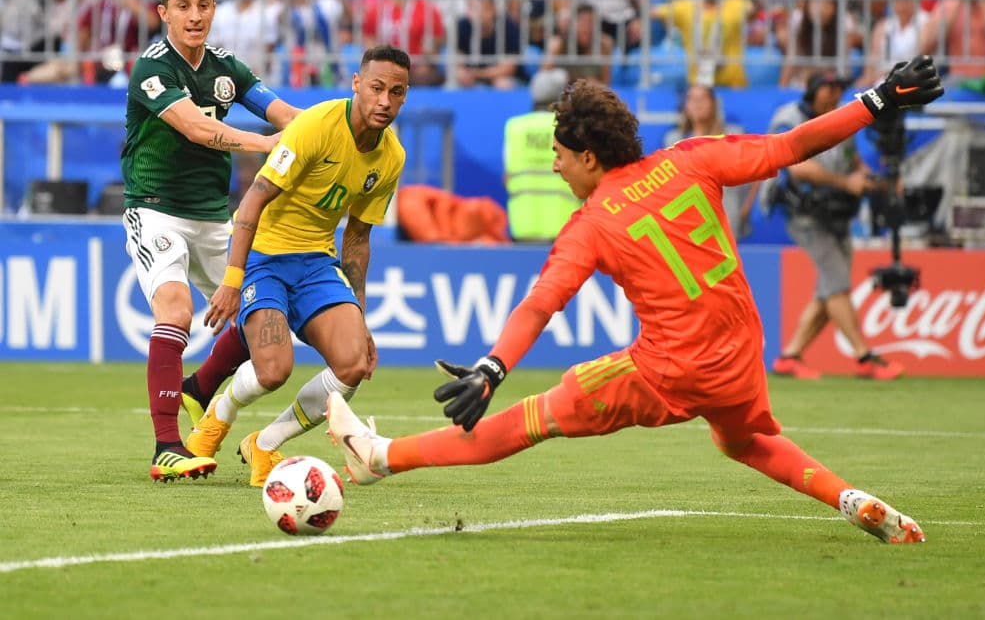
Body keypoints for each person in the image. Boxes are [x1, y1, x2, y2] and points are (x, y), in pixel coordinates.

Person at [327, 56, 944, 546]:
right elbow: (790, 147)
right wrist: (878, 99)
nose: (557, 168)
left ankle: (377, 457)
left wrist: (494, 368)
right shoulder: (691, 158)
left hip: (668, 369)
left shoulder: (592, 224)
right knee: (743, 442)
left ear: (589, 158)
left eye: (560, 157)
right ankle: (845, 496)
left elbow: (542, 304)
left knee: (531, 419)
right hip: (739, 356)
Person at [188, 45, 412, 488]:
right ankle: (217, 417)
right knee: (273, 370)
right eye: (377, 88)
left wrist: (359, 316)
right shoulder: (316, 126)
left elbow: (357, 238)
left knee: (353, 363)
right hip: (264, 257)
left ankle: (266, 443)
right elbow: (253, 198)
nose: (385, 101)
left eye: (397, 92)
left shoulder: (391, 157)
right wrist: (233, 279)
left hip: (315, 263)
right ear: (356, 84)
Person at [123, 0, 302, 482]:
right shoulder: (151, 67)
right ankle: (166, 448)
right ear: (163, 14)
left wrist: (331, 126)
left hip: (213, 218)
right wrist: (264, 144)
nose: (195, 15)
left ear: (214, 9)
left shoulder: (227, 67)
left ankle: (198, 388)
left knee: (261, 313)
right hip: (156, 209)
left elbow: (284, 113)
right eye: (183, 6)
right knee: (175, 310)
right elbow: (198, 128)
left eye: (204, 4)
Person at [764, 71, 902, 381]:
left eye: (838, 88)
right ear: (812, 92)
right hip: (804, 213)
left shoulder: (841, 119)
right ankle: (864, 356)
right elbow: (795, 165)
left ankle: (789, 356)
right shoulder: (790, 117)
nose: (833, 94)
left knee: (829, 288)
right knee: (836, 283)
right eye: (827, 88)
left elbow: (853, 162)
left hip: (836, 213)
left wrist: (873, 181)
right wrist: (845, 182)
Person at [663, 85, 751, 238]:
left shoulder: (733, 136)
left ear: (714, 104)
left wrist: (746, 207)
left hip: (726, 210)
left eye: (702, 98)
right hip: (688, 216)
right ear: (686, 105)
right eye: (692, 99)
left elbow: (755, 172)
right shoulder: (672, 139)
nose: (697, 103)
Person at [503, 68, 581, 241]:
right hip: (564, 230)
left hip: (522, 229)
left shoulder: (514, 127)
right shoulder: (569, 128)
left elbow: (507, 178)